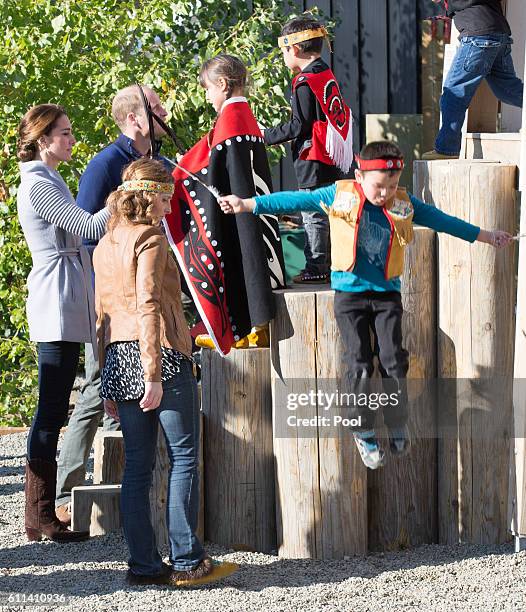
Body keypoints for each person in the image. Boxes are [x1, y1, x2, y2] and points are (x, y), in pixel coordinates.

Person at [219, 140, 512, 469]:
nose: (385, 193)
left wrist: (486, 235)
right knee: (359, 362)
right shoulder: (338, 195)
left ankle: (396, 421)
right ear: (359, 176)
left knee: (394, 361)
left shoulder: (403, 202)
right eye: (378, 185)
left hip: (386, 295)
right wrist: (247, 204)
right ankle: (363, 429)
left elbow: (443, 220)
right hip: (351, 296)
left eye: (393, 185)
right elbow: (295, 198)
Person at [94, 157, 238, 586]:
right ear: (148, 195)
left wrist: (106, 380)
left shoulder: (105, 244)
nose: (169, 202)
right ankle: (188, 561)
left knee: (137, 465)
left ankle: (143, 566)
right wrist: (153, 374)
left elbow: (100, 318)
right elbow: (149, 307)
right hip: (160, 357)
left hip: (119, 358)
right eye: (165, 194)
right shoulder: (151, 241)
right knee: (183, 458)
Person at [55, 85, 171, 526]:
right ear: (135, 119)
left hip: (148, 289)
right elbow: (84, 231)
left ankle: (117, 490)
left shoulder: (156, 161)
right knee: (95, 386)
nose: (165, 113)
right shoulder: (105, 164)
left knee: (133, 386)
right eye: (156, 108)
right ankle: (65, 492)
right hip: (111, 295)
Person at [17, 103, 111, 542]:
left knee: (54, 407)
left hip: (65, 293)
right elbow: (86, 227)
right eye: (65, 133)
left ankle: (39, 514)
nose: (72, 140)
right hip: (56, 296)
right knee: (52, 409)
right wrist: (124, 196)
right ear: (43, 139)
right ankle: (41, 513)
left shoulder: (49, 178)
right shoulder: (38, 183)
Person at [163, 54, 286, 354]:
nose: (208, 97)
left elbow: (213, 167)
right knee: (250, 252)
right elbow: (211, 152)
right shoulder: (243, 115)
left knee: (240, 255)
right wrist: (190, 164)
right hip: (251, 208)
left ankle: (246, 326)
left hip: (239, 210)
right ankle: (256, 324)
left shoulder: (231, 118)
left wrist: (183, 174)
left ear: (223, 84)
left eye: (208, 89)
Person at [263, 15, 353, 284]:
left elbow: (298, 125)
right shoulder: (324, 70)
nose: (283, 57)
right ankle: (336, 262)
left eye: (283, 51)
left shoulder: (304, 81)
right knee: (330, 210)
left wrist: (265, 135)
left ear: (295, 49)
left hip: (313, 155)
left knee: (313, 214)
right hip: (332, 153)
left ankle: (317, 266)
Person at [423, 0, 524, 159]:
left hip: (478, 37)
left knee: (454, 93)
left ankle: (447, 149)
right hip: (499, 34)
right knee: (508, 90)